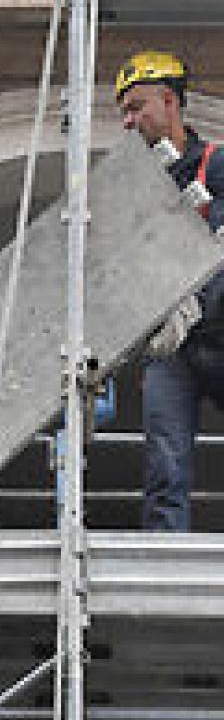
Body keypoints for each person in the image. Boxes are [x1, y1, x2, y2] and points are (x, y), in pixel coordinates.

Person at [116, 50, 224, 530]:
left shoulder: (217, 167)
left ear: (168, 100)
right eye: (125, 111)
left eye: (136, 107)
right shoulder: (139, 186)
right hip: (173, 349)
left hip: (219, 333)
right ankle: (162, 549)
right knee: (165, 463)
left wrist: (198, 306)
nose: (128, 120)